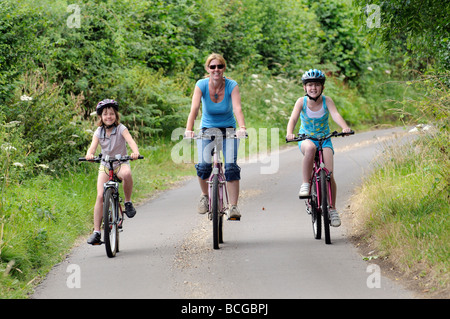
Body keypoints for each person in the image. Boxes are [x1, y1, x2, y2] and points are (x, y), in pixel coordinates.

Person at [286, 69, 351, 227]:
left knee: (329, 174)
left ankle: (332, 209)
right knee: (309, 150)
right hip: (306, 138)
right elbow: (293, 117)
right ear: (304, 88)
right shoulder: (301, 102)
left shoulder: (327, 101)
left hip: (324, 139)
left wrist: (345, 127)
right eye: (310, 85)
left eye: (316, 85)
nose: (313, 88)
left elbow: (335, 114)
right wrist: (289, 133)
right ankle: (305, 184)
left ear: (322, 87)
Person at [185, 53, 247, 219]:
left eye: (219, 66)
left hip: (228, 129)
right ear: (207, 69)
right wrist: (189, 129)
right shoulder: (201, 85)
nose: (216, 69)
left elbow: (237, 108)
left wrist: (242, 127)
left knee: (231, 167)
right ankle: (205, 195)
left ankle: (233, 207)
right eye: (212, 67)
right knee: (204, 166)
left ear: (224, 68)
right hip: (207, 129)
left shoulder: (231, 85)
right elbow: (195, 108)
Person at [85, 99, 140, 245]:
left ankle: (127, 202)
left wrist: (135, 152)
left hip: (120, 163)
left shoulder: (121, 128)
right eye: (105, 114)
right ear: (101, 117)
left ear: (115, 115)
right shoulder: (98, 131)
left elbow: (131, 141)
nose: (108, 116)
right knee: (100, 196)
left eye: (111, 114)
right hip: (105, 165)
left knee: (127, 174)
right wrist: (90, 155)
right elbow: (92, 147)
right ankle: (97, 232)